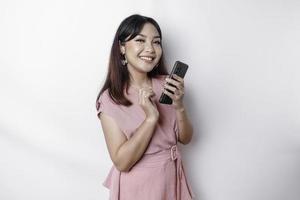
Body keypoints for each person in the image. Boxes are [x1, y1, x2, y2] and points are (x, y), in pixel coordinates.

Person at [96, 14, 195, 200]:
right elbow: (122, 162)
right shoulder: (111, 98)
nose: (150, 49)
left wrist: (180, 106)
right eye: (140, 40)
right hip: (139, 187)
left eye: (156, 42)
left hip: (171, 177)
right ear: (122, 48)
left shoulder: (167, 84)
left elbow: (186, 138)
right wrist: (150, 119)